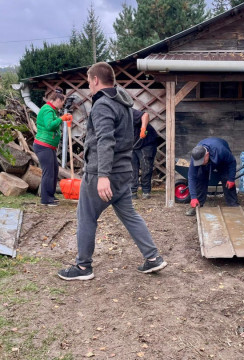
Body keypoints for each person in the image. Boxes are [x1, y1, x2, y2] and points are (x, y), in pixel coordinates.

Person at [57, 62, 167, 281]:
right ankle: (153, 258)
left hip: (103, 173)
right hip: (124, 171)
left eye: (89, 81)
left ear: (96, 80)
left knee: (86, 217)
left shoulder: (103, 105)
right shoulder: (124, 103)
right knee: (129, 215)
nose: (88, 85)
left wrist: (102, 176)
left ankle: (82, 267)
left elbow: (105, 141)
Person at [185, 137, 239, 216]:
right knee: (200, 177)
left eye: (202, 161)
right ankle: (197, 205)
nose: (200, 163)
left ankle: (233, 204)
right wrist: (193, 197)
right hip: (209, 157)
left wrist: (231, 179)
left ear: (207, 154)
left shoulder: (221, 151)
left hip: (221, 160)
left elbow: (232, 162)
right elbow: (191, 177)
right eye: (198, 162)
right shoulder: (196, 156)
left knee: (227, 178)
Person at [34, 87, 65, 206]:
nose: (62, 105)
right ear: (57, 100)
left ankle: (50, 195)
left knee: (54, 170)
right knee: (48, 172)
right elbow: (49, 126)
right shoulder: (47, 110)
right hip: (43, 145)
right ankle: (46, 199)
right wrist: (61, 119)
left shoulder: (51, 110)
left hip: (48, 146)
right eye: (62, 103)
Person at [130, 109, 158, 199]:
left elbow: (145, 115)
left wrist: (143, 129)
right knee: (132, 168)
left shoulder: (128, 111)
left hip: (146, 142)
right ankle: (133, 191)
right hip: (132, 143)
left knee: (146, 166)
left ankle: (146, 191)